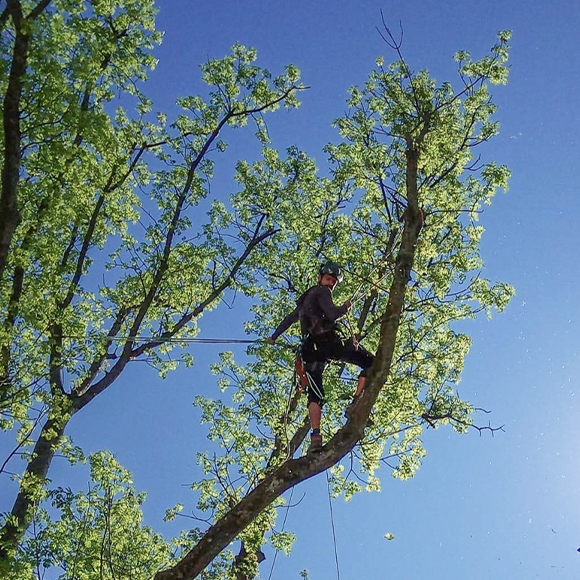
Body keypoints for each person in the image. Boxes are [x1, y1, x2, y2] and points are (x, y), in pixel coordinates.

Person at [268, 261, 374, 454]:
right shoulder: (322, 292)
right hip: (327, 342)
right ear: (320, 278)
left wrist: (274, 337)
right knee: (371, 363)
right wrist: (344, 307)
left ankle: (315, 439)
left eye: (333, 282)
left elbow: (288, 320)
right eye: (328, 279)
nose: (331, 284)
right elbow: (332, 314)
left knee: (315, 395)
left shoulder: (303, 302)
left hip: (310, 350)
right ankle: (356, 403)